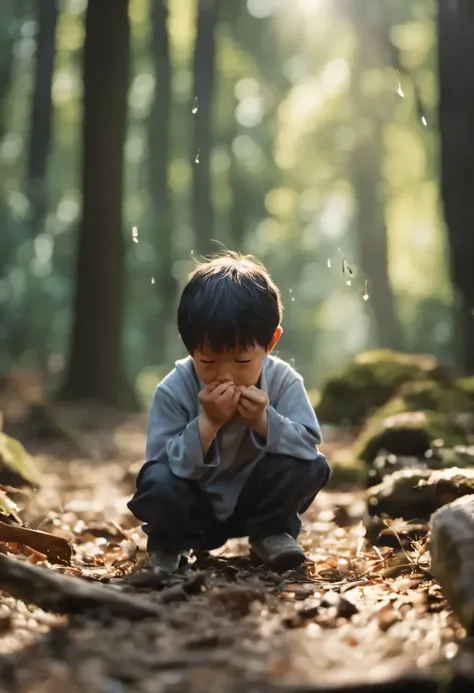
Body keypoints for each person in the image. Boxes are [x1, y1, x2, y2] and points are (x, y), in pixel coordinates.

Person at [128, 252, 330, 576]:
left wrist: (264, 422)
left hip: (255, 503)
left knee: (310, 465)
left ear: (270, 343)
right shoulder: (174, 389)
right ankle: (168, 546)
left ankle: (270, 534)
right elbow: (159, 467)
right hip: (193, 509)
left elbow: (308, 445)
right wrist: (207, 423)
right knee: (156, 480)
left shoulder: (283, 381)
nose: (226, 375)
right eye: (207, 362)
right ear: (189, 346)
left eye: (241, 362)